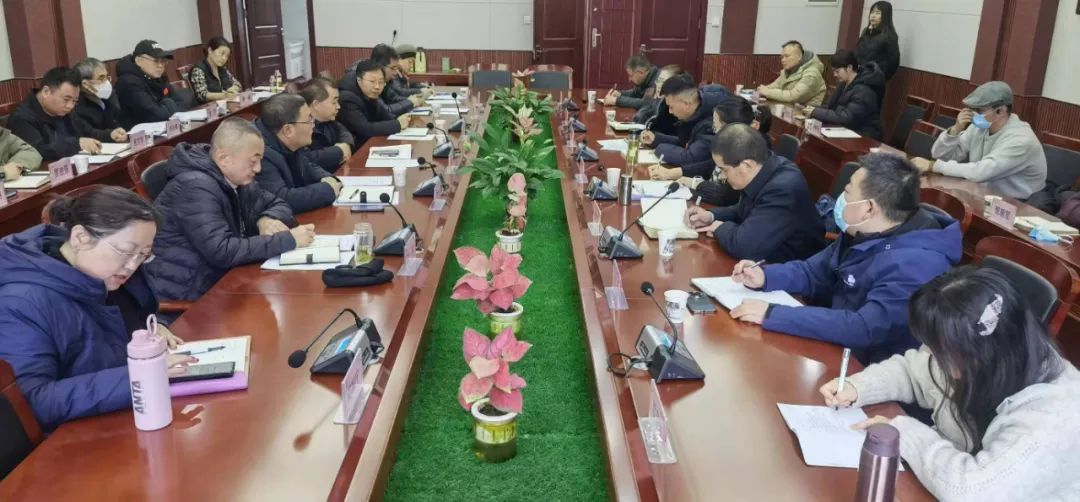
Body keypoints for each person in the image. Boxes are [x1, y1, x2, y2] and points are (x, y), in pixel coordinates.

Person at [821, 266, 1080, 499]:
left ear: (984, 351)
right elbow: (912, 371)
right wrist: (858, 387)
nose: (931, 355)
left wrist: (904, 433)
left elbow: (973, 492)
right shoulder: (980, 356)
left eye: (939, 351)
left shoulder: (1054, 416)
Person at [730, 153, 962, 365]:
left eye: (847, 192)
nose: (840, 198)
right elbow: (813, 272)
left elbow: (863, 327)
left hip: (869, 368)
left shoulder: (918, 265)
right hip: (836, 346)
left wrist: (773, 315)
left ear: (869, 209)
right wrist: (765, 276)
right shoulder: (863, 231)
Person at [0, 186, 196, 432]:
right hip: (77, 436)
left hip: (129, 410)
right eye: (125, 252)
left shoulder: (108, 275)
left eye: (143, 255)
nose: (132, 265)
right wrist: (140, 376)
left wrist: (155, 328)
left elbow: (133, 319)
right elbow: (32, 402)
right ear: (80, 237)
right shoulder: (21, 303)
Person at [145, 118, 314, 304]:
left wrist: (266, 219)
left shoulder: (235, 178)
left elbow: (279, 203)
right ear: (224, 158)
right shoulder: (195, 186)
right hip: (190, 293)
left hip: (223, 280)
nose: (258, 169)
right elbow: (222, 251)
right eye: (253, 161)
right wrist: (287, 240)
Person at [685, 124, 825, 262]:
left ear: (747, 165)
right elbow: (743, 209)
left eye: (724, 170)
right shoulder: (763, 168)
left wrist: (720, 228)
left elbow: (745, 247)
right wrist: (710, 216)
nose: (722, 176)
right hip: (765, 255)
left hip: (791, 266)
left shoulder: (782, 190)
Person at [911, 81, 1047, 200]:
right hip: (983, 193)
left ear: (1000, 111)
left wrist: (933, 166)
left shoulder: (1020, 140)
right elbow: (940, 155)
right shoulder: (980, 127)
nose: (973, 115)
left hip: (1019, 204)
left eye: (979, 110)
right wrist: (955, 131)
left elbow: (980, 172)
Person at [652, 94, 773, 182]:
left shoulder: (750, 154)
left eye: (716, 127)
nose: (714, 132)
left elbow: (726, 195)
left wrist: (695, 184)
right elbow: (711, 165)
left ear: (731, 128)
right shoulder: (737, 145)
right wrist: (676, 172)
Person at [254, 94, 342, 213]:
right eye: (309, 121)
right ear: (288, 130)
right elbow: (281, 199)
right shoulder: (259, 152)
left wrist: (326, 178)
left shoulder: (288, 140)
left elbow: (307, 164)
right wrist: (327, 190)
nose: (313, 125)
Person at [7, 67, 112, 161]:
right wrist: (76, 144)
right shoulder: (22, 119)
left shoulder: (64, 110)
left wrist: (110, 135)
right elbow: (37, 152)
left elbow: (87, 131)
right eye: (66, 99)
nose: (70, 106)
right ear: (46, 92)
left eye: (75, 101)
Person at [639, 74, 729, 168]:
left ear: (686, 104)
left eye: (671, 107)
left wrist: (659, 149)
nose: (670, 111)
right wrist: (656, 139)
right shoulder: (698, 108)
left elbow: (690, 158)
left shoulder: (712, 120)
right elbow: (687, 142)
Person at [805, 49, 885, 140]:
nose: (834, 75)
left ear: (849, 68)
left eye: (837, 71)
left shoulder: (864, 90)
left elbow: (846, 119)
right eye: (833, 71)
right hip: (846, 131)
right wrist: (809, 108)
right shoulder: (843, 84)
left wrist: (815, 112)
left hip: (864, 135)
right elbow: (829, 107)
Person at [338, 59, 411, 148]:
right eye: (372, 81)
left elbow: (384, 115)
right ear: (359, 80)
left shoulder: (369, 93)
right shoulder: (346, 98)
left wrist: (399, 120)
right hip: (354, 149)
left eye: (381, 82)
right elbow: (365, 129)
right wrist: (398, 124)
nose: (377, 87)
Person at [116, 40, 182, 129]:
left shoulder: (156, 76)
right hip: (138, 135)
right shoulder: (128, 83)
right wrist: (168, 102)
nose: (160, 66)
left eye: (163, 61)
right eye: (156, 61)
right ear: (139, 61)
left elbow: (182, 102)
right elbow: (156, 115)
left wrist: (165, 105)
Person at [299, 76, 354, 171]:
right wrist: (339, 151)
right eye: (334, 102)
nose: (338, 106)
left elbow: (343, 130)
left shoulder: (328, 120)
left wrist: (346, 144)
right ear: (316, 105)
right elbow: (307, 159)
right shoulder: (300, 127)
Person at [72, 58, 128, 144]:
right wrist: (110, 134)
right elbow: (88, 133)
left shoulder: (106, 98)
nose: (107, 82)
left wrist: (120, 131)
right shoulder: (76, 106)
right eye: (101, 78)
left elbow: (116, 121)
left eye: (107, 77)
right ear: (85, 84)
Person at [757, 41, 826, 106]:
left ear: (799, 57)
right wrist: (762, 89)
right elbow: (776, 85)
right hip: (789, 109)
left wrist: (767, 92)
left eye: (787, 56)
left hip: (806, 112)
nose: (783, 60)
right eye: (782, 57)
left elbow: (794, 96)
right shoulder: (789, 70)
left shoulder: (812, 73)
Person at [371, 44, 422, 116]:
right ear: (380, 66)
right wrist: (410, 101)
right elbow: (385, 111)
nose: (395, 72)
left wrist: (411, 100)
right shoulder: (369, 81)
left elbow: (392, 98)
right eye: (393, 68)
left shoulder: (385, 80)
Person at [855, 1, 901, 81]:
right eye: (872, 12)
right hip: (858, 74)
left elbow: (893, 62)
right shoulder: (866, 31)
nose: (873, 15)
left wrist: (880, 77)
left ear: (885, 16)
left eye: (877, 13)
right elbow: (858, 52)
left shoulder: (889, 36)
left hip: (874, 78)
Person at [189, 36, 241, 104]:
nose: (224, 58)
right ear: (210, 50)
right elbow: (202, 95)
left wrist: (233, 89)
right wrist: (224, 95)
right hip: (209, 108)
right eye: (222, 53)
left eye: (227, 56)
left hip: (225, 105)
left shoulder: (222, 68)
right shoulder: (198, 70)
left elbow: (238, 84)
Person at [633, 65, 686, 130]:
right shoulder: (660, 100)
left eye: (663, 81)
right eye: (658, 80)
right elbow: (647, 110)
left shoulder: (678, 107)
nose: (658, 85)